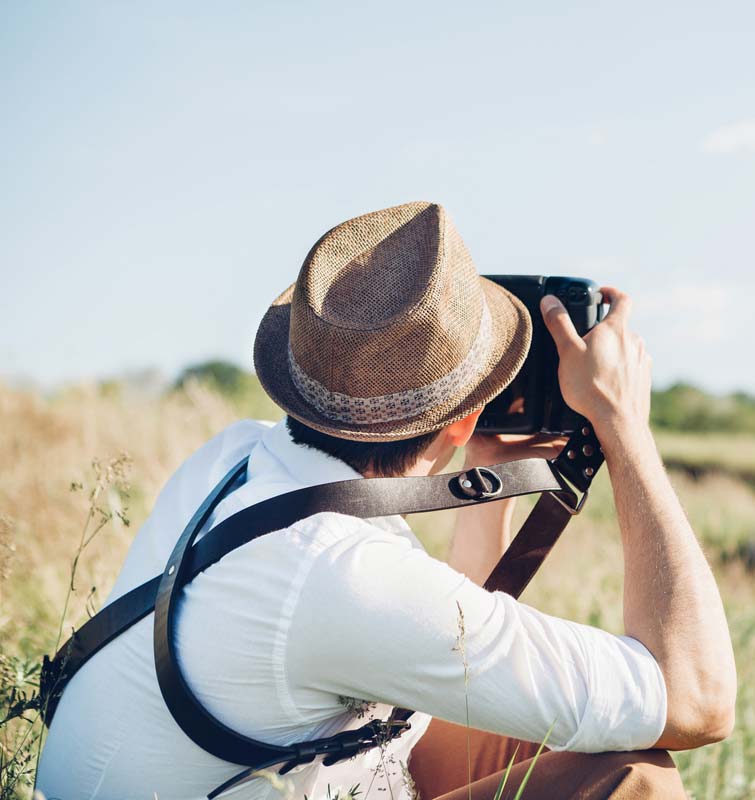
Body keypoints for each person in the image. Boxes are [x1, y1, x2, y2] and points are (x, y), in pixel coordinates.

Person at [37, 201, 736, 800]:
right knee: (635, 776)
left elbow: (434, 640)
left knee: (516, 727)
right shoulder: (341, 573)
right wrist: (624, 431)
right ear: (462, 415)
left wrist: (486, 474)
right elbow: (697, 703)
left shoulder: (238, 454)